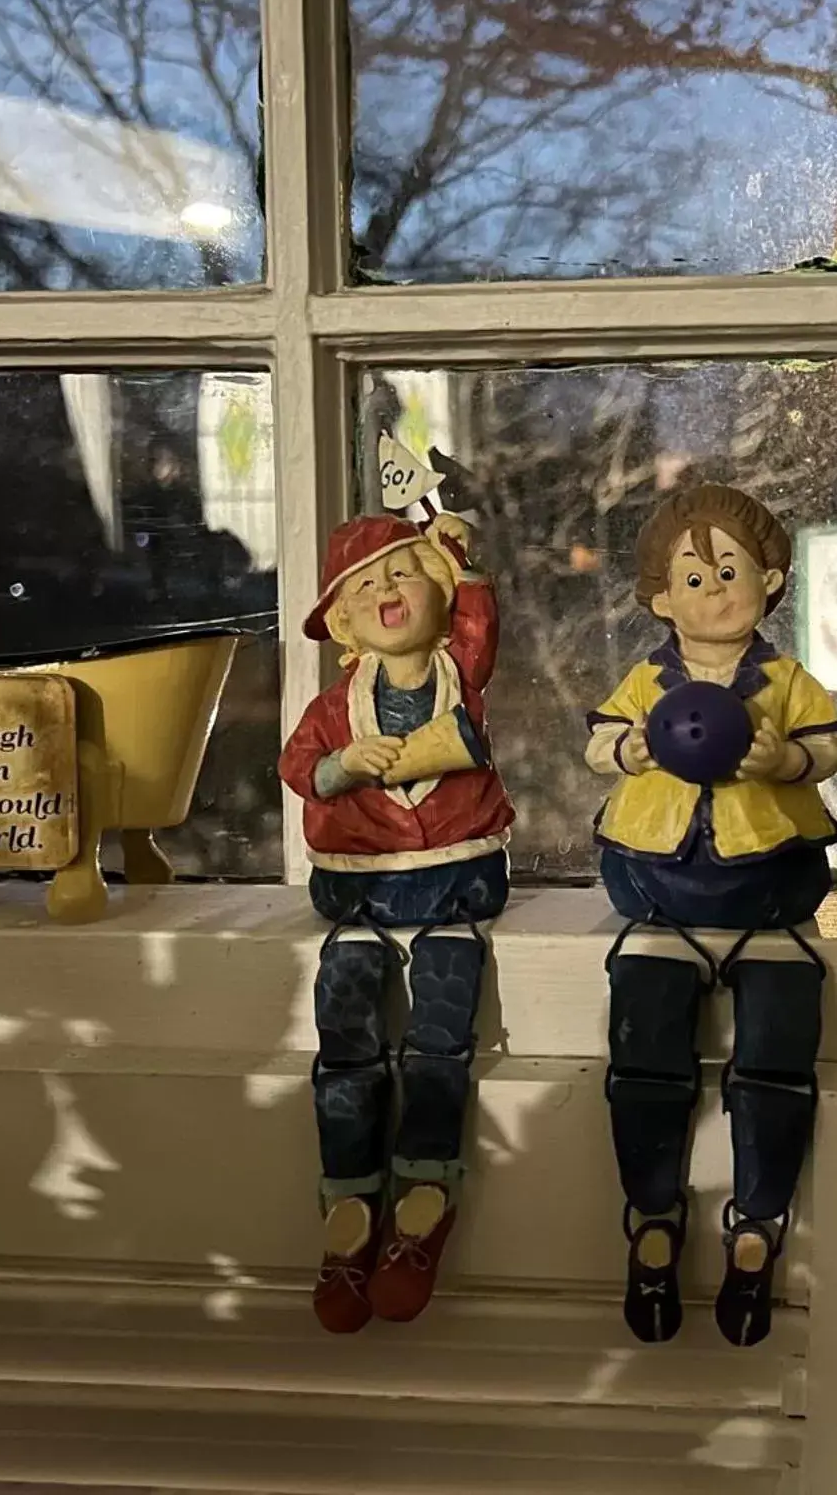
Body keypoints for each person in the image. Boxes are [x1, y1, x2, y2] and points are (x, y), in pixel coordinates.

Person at [585, 484, 837, 1348]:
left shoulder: (784, 679)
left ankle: (758, 1226)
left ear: (771, 580)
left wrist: (786, 758)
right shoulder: (648, 678)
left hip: (765, 890)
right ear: (661, 597)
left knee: (774, 1066)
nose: (714, 591)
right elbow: (598, 742)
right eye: (693, 579)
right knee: (647, 1059)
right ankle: (652, 1218)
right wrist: (633, 744)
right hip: (660, 885)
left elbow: (832, 744)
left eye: (730, 572)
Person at [279, 511, 514, 1334]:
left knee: (442, 1034)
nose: (386, 592)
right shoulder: (336, 706)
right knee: (345, 1032)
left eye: (404, 574)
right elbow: (297, 765)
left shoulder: (460, 672)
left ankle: (424, 1190)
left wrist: (458, 551)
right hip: (360, 885)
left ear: (442, 598)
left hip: (454, 878)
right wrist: (340, 767)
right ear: (341, 621)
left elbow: (485, 614)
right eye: (365, 585)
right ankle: (348, 1203)